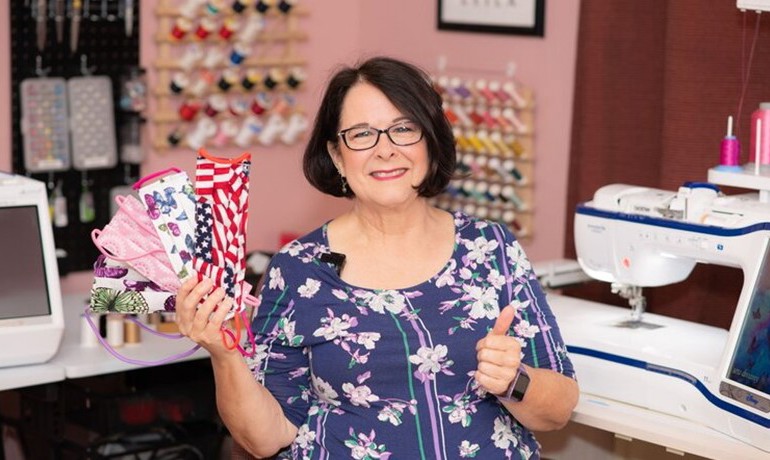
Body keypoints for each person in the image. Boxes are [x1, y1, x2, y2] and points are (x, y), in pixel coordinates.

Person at [175, 56, 579, 459]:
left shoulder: (491, 247)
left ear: (431, 142)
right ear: (337, 156)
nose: (385, 150)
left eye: (403, 129)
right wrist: (225, 355)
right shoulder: (297, 269)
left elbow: (559, 409)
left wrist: (514, 381)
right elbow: (264, 438)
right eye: (362, 134)